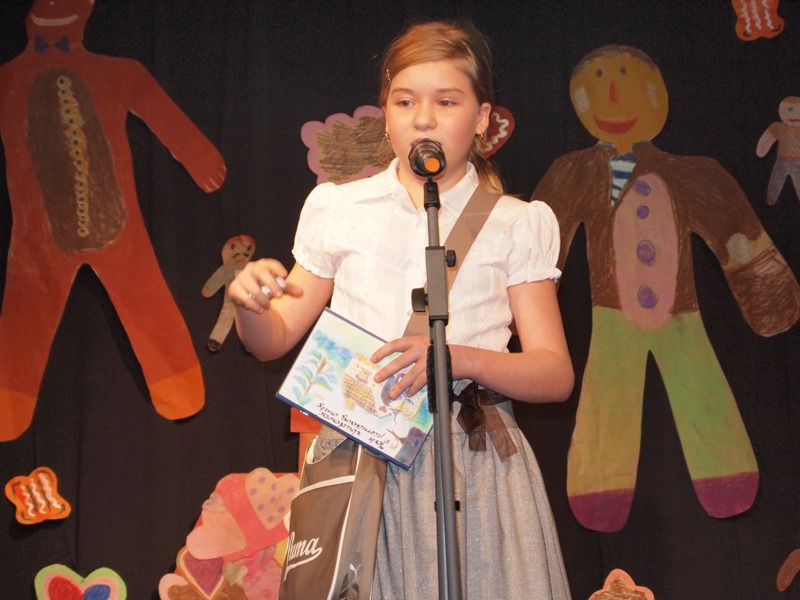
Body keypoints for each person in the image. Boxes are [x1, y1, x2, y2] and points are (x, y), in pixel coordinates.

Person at [229, 19, 574, 600]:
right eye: (405, 101)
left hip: (475, 461)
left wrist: (458, 358)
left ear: (483, 118)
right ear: (385, 115)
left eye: (447, 101)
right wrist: (250, 304)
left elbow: (554, 372)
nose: (424, 118)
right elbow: (273, 338)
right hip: (363, 461)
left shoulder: (517, 221)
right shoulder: (341, 208)